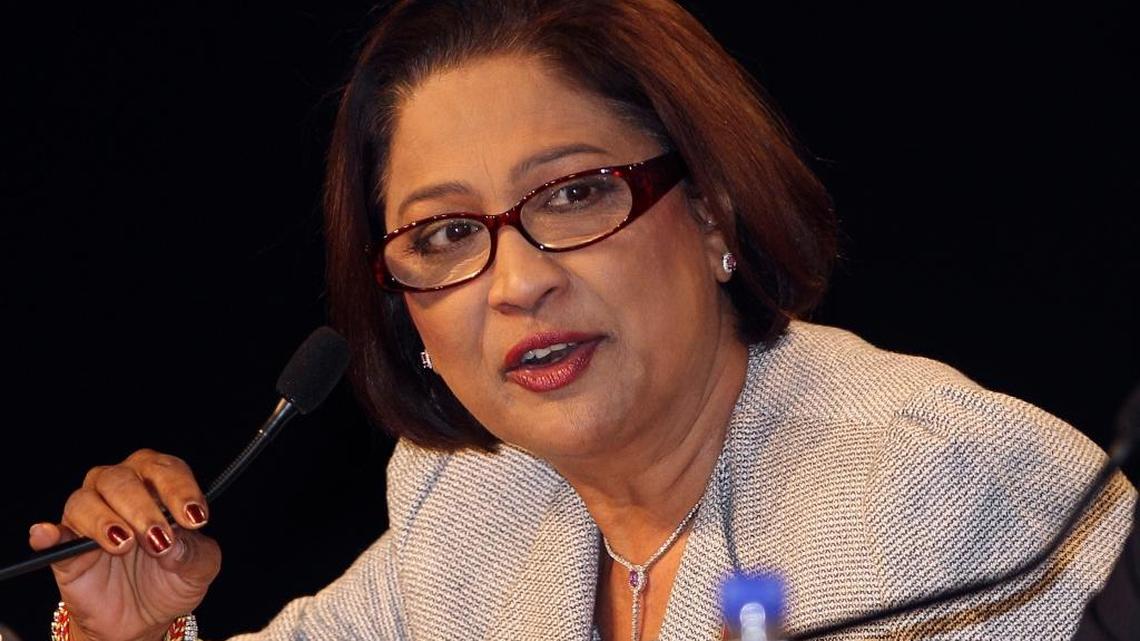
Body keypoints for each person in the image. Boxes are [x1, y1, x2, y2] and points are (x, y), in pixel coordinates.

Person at [27, 1, 1134, 639]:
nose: (515, 282)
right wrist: (126, 630)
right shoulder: (475, 491)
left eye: (572, 194)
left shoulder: (931, 491)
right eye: (446, 235)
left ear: (711, 212)